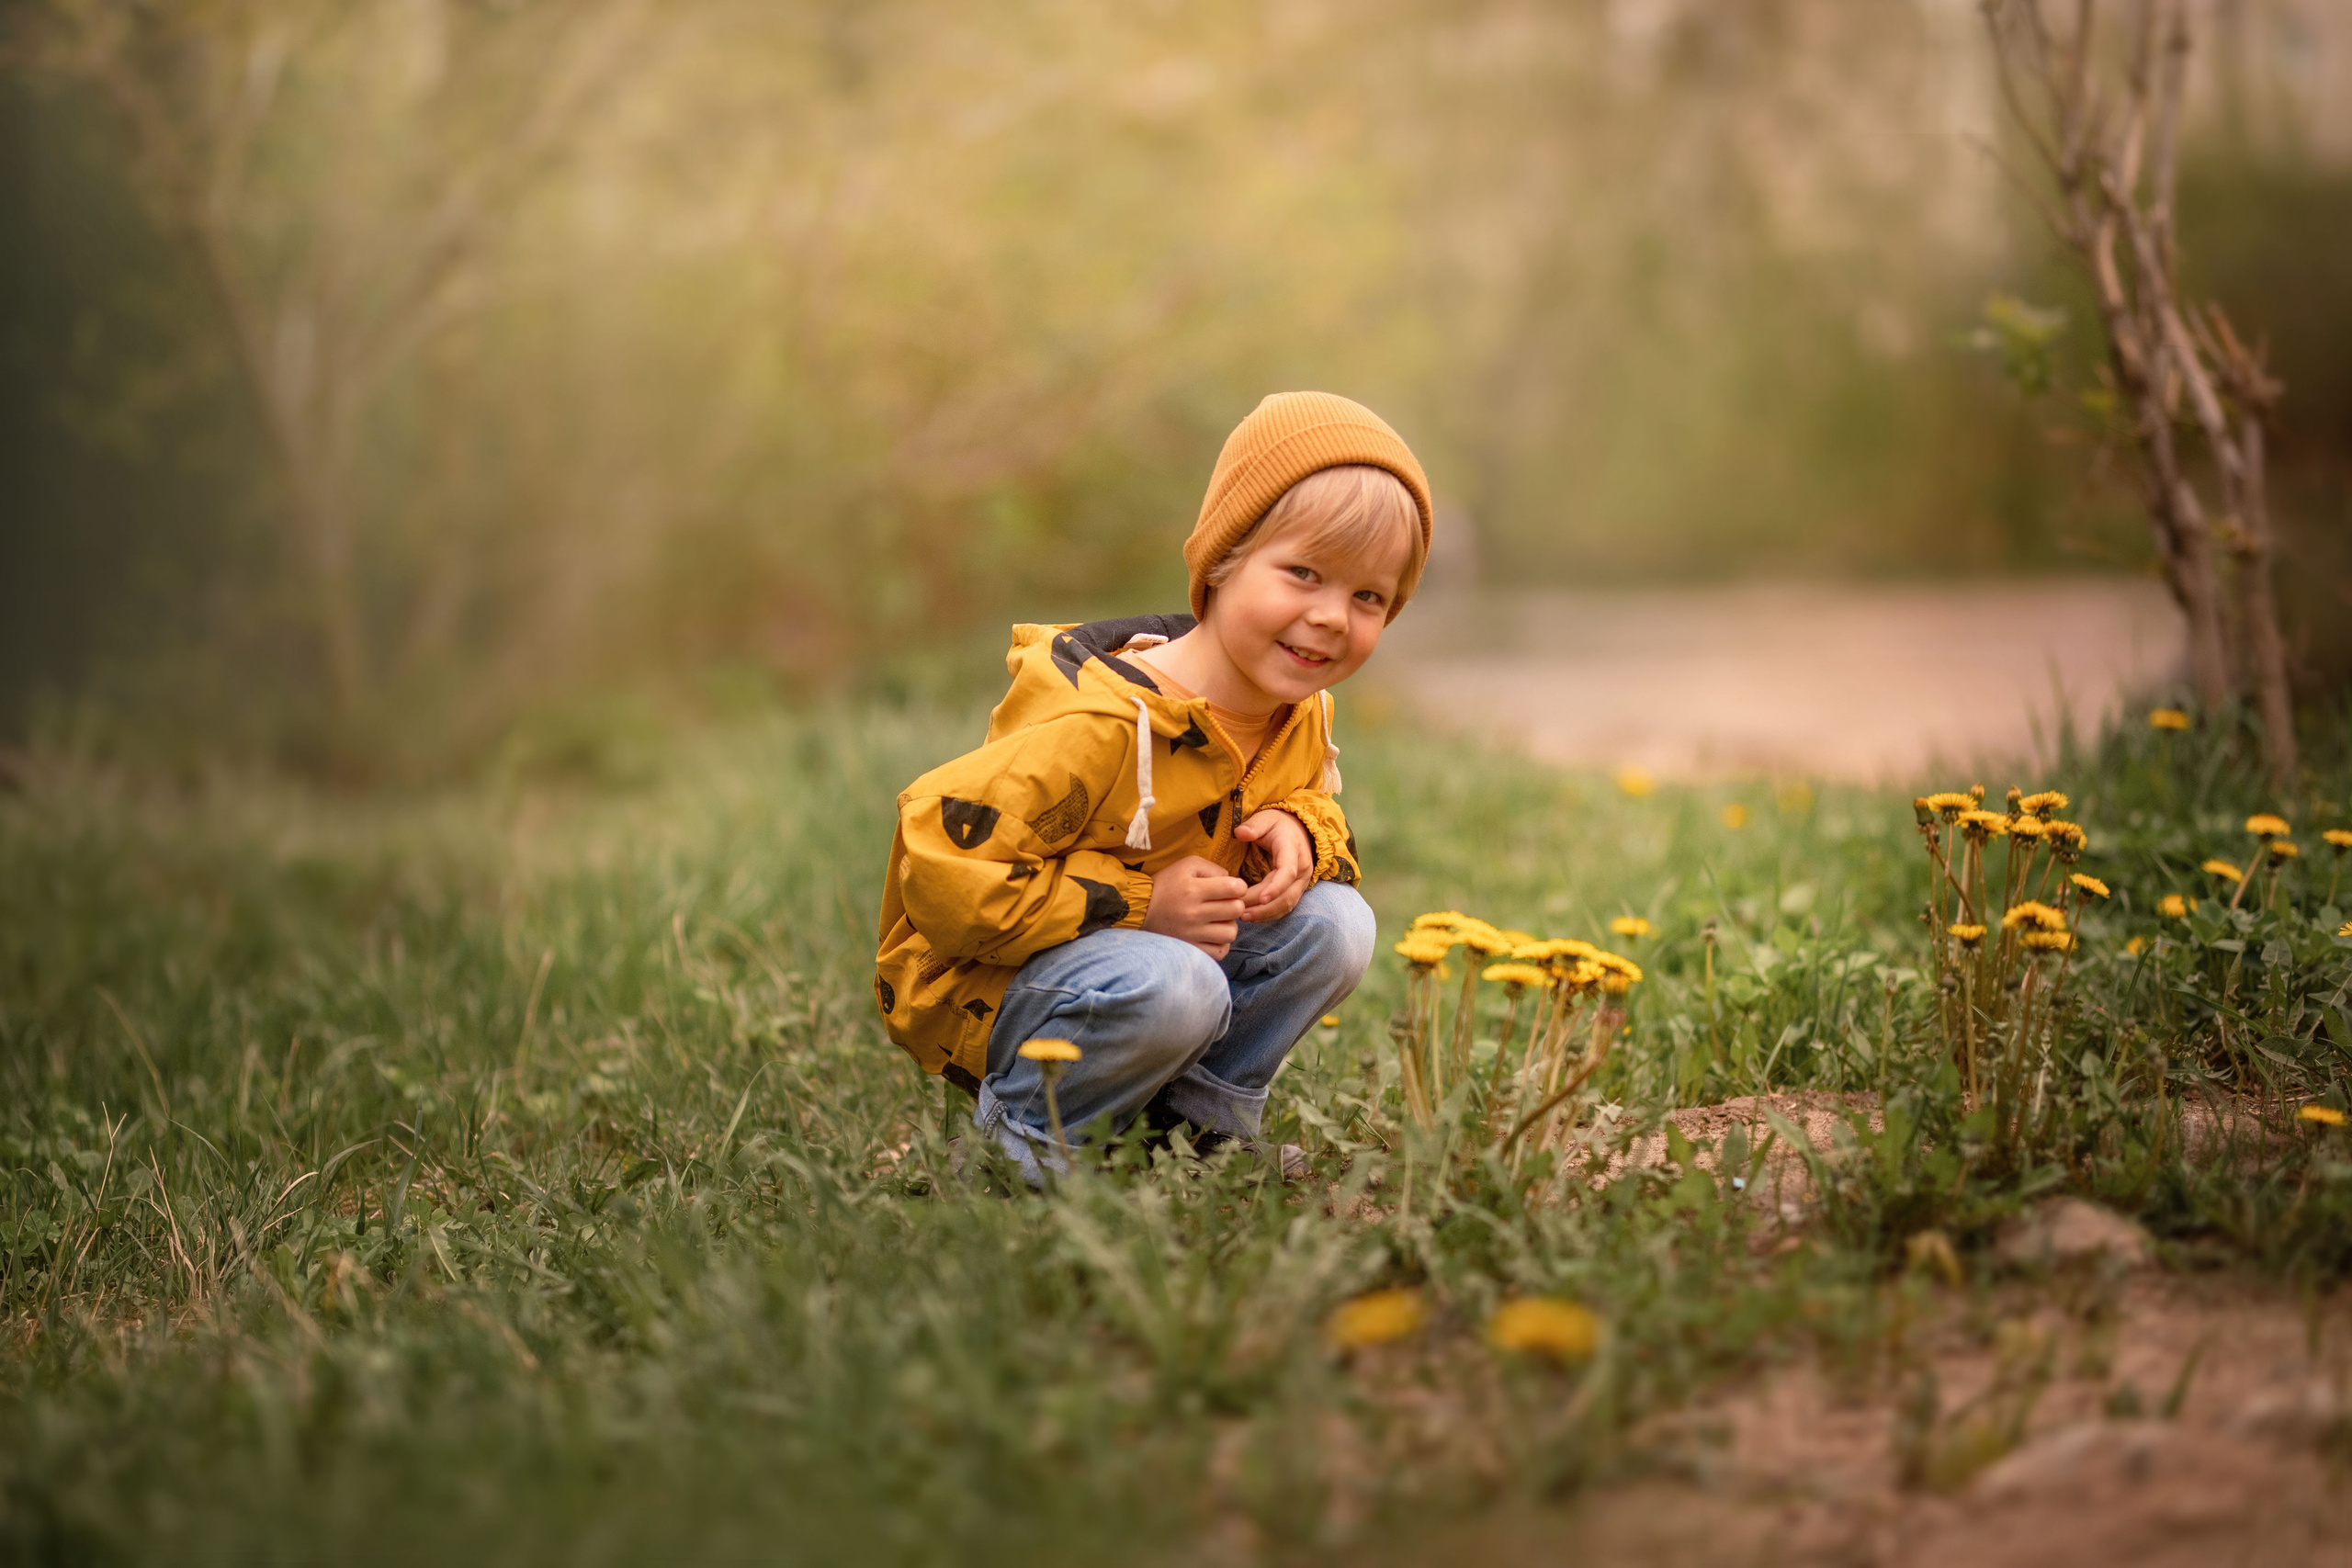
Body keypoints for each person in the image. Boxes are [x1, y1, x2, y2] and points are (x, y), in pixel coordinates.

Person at [873, 391, 1433, 1182]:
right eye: (1303, 573)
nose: (1333, 617)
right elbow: (940, 860)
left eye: (1368, 596)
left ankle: (1192, 1136)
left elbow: (1311, 799)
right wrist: (1141, 904)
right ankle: (1023, 1150)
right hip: (1011, 988)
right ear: (1226, 560)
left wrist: (1303, 828)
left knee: (1337, 923)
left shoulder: (1299, 712)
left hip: (1154, 979)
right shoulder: (1103, 720)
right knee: (1180, 982)